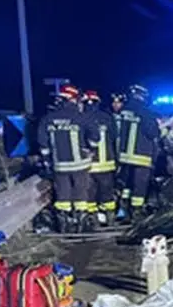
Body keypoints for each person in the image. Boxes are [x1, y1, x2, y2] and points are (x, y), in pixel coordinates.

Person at [37, 84, 97, 233]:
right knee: (81, 191)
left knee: (63, 193)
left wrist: (46, 160)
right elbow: (95, 135)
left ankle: (63, 223)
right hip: (80, 164)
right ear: (73, 99)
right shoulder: (81, 117)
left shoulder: (48, 118)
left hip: (59, 165)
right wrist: (90, 148)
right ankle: (80, 221)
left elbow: (42, 141)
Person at [114, 84, 161, 221]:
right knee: (140, 184)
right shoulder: (145, 112)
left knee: (127, 183)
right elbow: (152, 133)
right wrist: (164, 130)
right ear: (143, 96)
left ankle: (124, 209)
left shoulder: (124, 110)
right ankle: (136, 211)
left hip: (124, 155)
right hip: (141, 155)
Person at [81, 90, 119, 226]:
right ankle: (109, 218)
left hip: (88, 166)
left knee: (90, 195)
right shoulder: (107, 117)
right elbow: (114, 137)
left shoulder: (81, 118)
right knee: (107, 194)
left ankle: (93, 220)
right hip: (107, 164)